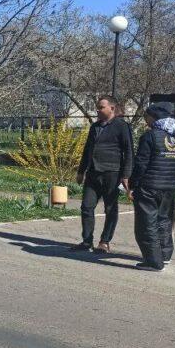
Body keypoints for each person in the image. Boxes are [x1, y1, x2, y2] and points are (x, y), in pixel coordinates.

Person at [129, 102, 175, 271]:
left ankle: (153, 262)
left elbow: (141, 164)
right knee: (164, 220)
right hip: (170, 187)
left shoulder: (150, 136)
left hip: (149, 187)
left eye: (147, 117)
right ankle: (165, 256)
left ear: (155, 117)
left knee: (147, 223)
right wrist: (173, 163)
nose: (146, 121)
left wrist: (132, 185)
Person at [72, 95, 134, 253]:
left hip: (112, 173)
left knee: (110, 209)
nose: (97, 110)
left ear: (112, 108)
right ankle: (86, 241)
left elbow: (129, 153)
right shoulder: (95, 126)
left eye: (101, 107)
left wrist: (126, 176)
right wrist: (81, 171)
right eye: (97, 107)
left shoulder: (122, 126)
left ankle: (104, 242)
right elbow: (87, 150)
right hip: (93, 173)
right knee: (86, 207)